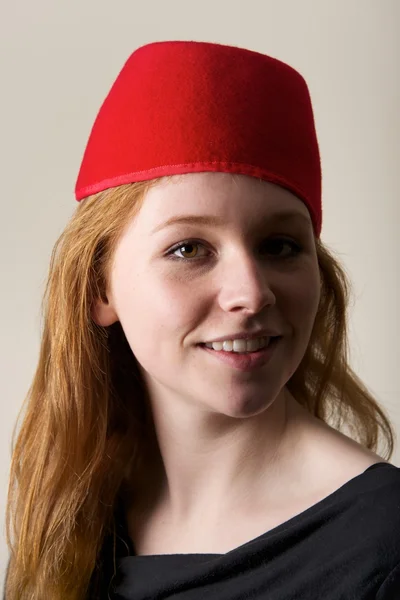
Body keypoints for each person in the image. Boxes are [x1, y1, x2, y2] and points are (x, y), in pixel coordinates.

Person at [3, 40, 399, 600]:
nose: (251, 293)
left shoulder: (384, 551)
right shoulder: (77, 517)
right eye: (189, 249)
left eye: (281, 245)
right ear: (99, 287)